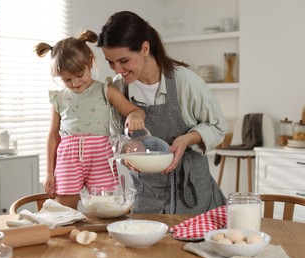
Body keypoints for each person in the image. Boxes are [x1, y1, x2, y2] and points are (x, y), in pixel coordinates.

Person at [97, 11, 228, 214]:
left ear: (144, 48)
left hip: (192, 195)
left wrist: (187, 139)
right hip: (146, 197)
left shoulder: (185, 81)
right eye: (110, 62)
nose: (117, 70)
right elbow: (114, 137)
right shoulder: (118, 90)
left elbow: (218, 126)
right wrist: (127, 152)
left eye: (123, 61)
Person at [36, 30, 146, 210]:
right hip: (68, 159)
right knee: (64, 214)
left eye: (80, 75)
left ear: (90, 63)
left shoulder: (106, 90)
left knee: (104, 210)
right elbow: (53, 136)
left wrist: (136, 116)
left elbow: (134, 110)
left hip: (101, 158)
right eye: (67, 79)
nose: (75, 83)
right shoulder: (59, 98)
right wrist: (49, 172)